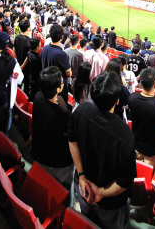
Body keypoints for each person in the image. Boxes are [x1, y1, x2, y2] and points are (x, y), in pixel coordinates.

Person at [68, 72, 136, 228]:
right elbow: (125, 181)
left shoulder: (82, 110)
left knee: (88, 222)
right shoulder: (124, 134)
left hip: (84, 189)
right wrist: (101, 192)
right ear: (117, 101)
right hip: (108, 202)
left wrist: (82, 175)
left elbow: (72, 141)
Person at [32, 66, 74, 197]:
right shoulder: (63, 116)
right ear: (58, 89)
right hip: (58, 163)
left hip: (39, 153)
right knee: (62, 192)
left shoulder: (38, 97)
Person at [128, 68, 155, 170]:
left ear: (141, 82)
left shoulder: (132, 98)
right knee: (153, 177)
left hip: (137, 147)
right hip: (154, 152)